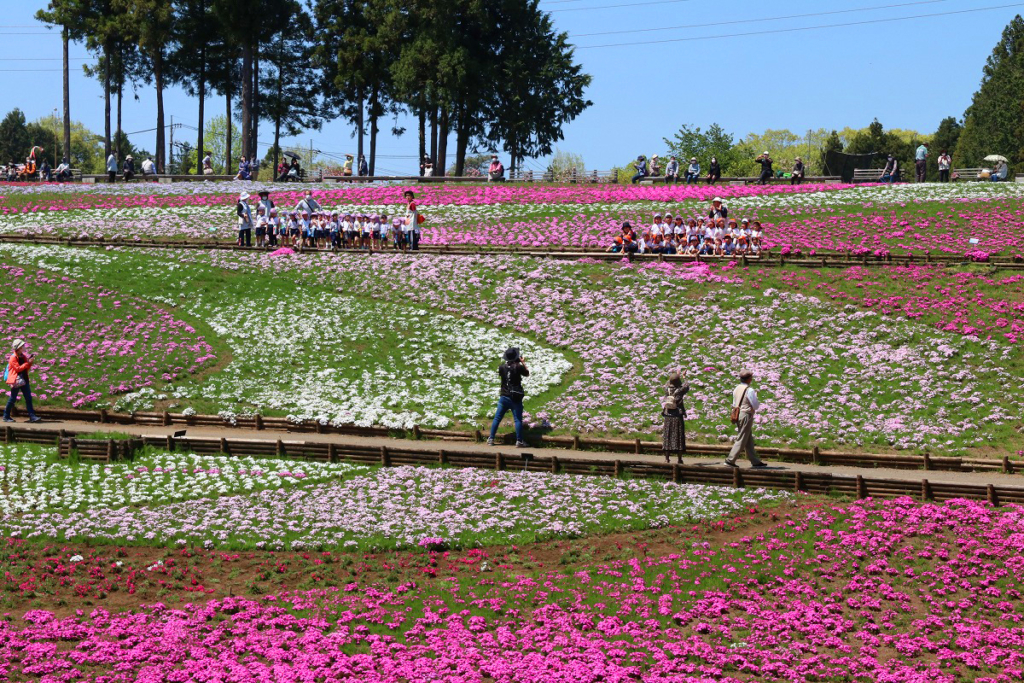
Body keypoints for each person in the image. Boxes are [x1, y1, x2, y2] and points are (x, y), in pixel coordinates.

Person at [487, 347, 530, 447]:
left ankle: (491, 438)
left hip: (504, 396)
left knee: (497, 418)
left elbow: (506, 374)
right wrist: (522, 362)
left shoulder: (501, 367)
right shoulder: (518, 367)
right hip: (515, 397)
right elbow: (527, 373)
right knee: (518, 419)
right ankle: (519, 441)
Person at [725, 369, 766, 468]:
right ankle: (730, 459)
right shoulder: (749, 390)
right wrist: (754, 407)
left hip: (738, 413)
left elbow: (735, 403)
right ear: (749, 379)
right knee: (743, 437)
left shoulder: (736, 388)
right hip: (746, 414)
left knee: (748, 437)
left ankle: (754, 460)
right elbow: (755, 405)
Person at [3, 340, 40, 423]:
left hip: (24, 379)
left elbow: (26, 368)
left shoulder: (23, 356)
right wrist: (27, 363)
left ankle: (32, 416)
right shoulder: (13, 357)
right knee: (13, 399)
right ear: (18, 348)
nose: (24, 347)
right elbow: (18, 368)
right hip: (16, 380)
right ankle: (6, 415)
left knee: (28, 398)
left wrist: (30, 362)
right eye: (22, 345)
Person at [661, 371, 689, 463]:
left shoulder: (667, 390)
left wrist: (675, 375)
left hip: (668, 416)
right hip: (677, 416)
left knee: (667, 436)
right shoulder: (680, 391)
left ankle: (666, 458)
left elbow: (667, 383)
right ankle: (679, 459)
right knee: (679, 437)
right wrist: (684, 376)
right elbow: (686, 386)